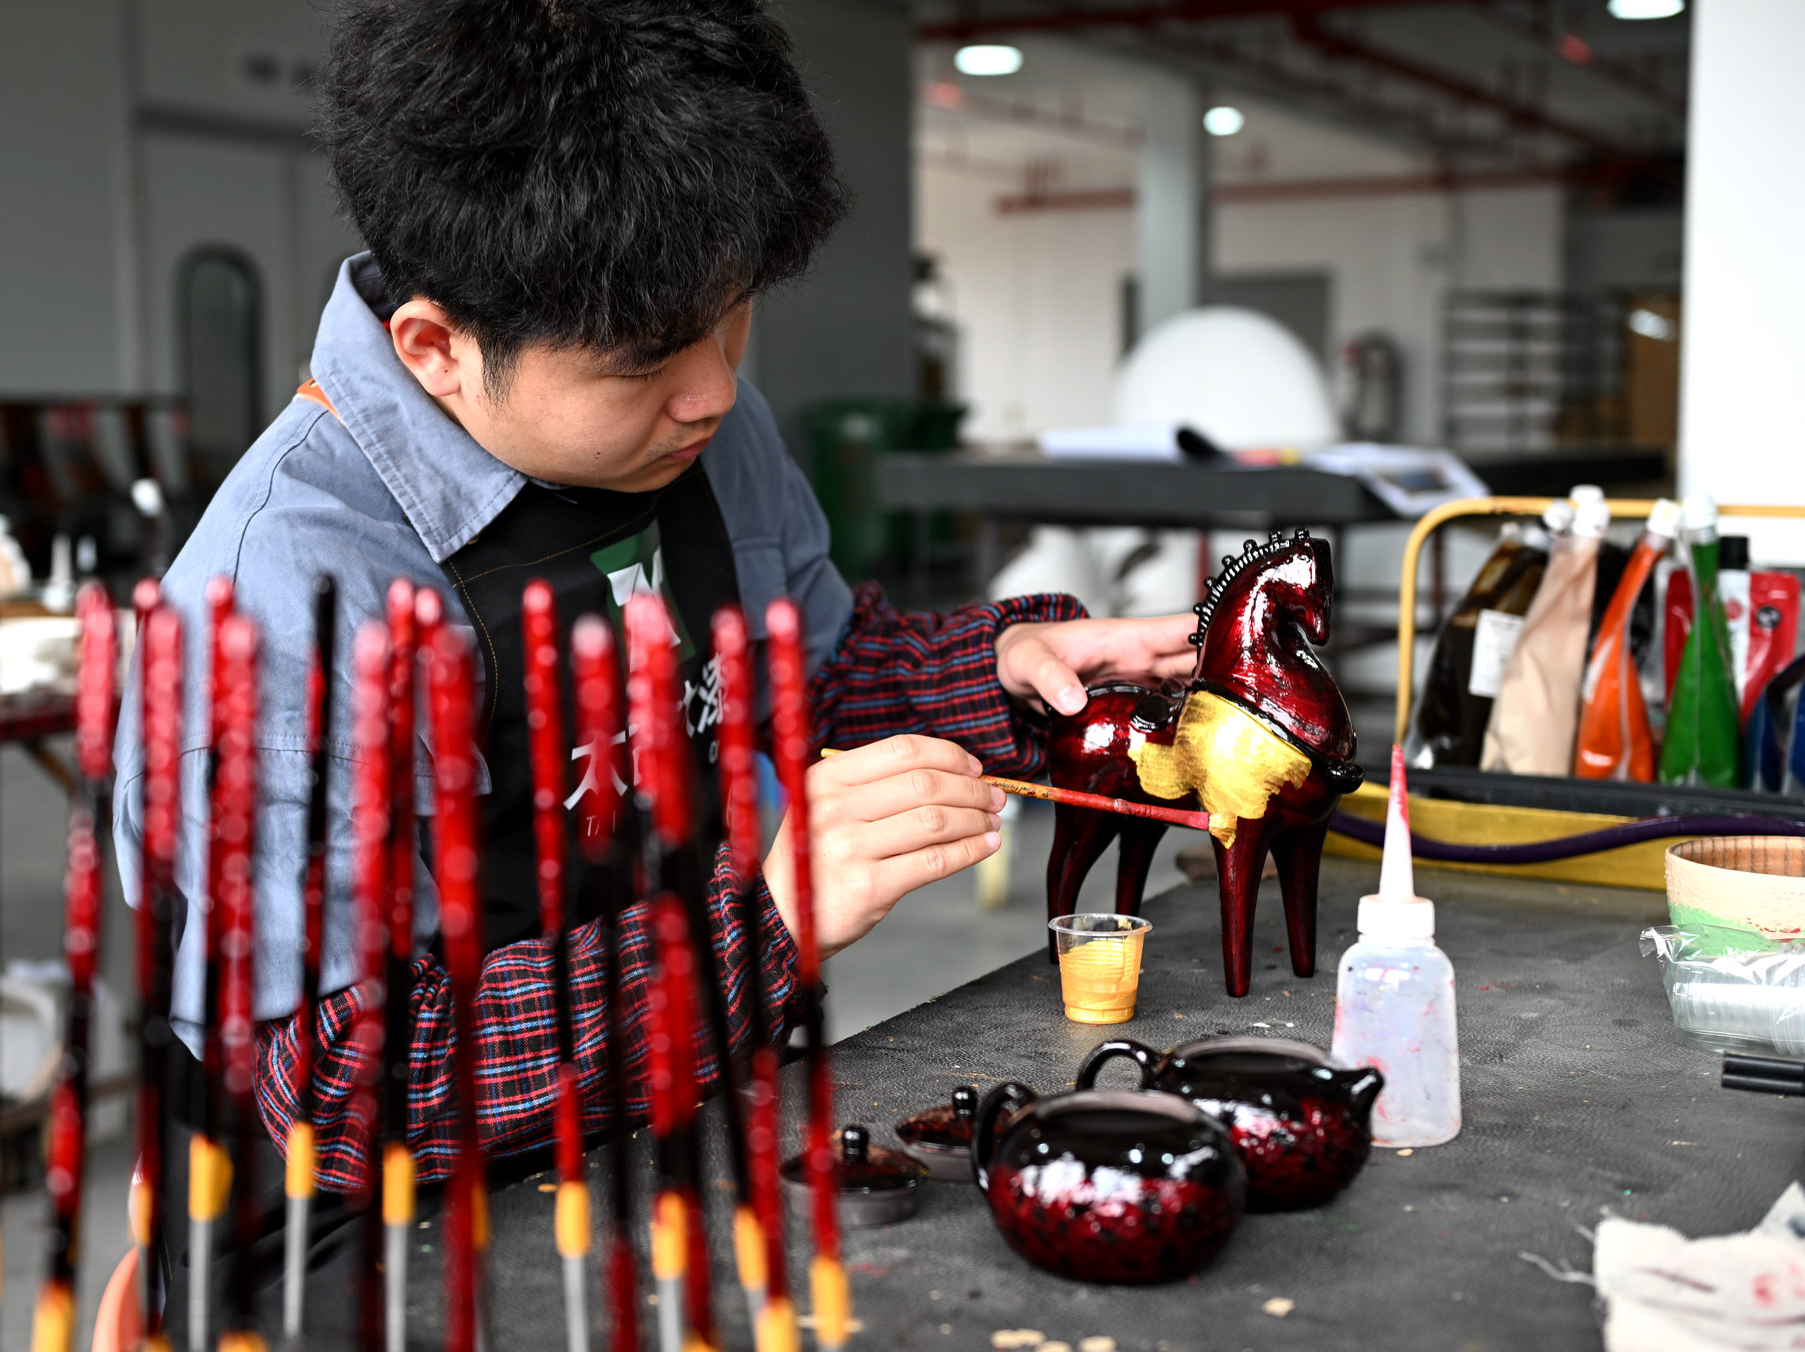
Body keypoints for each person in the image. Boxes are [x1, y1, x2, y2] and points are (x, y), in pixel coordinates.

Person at [112, 0, 1196, 1199]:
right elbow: (345, 1087)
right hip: (382, 1247)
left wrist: (999, 669)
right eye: (642, 362)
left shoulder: (697, 430)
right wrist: (758, 926)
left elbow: (806, 673)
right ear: (435, 347)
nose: (712, 395)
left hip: (683, 1135)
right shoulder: (278, 600)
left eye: (728, 319)